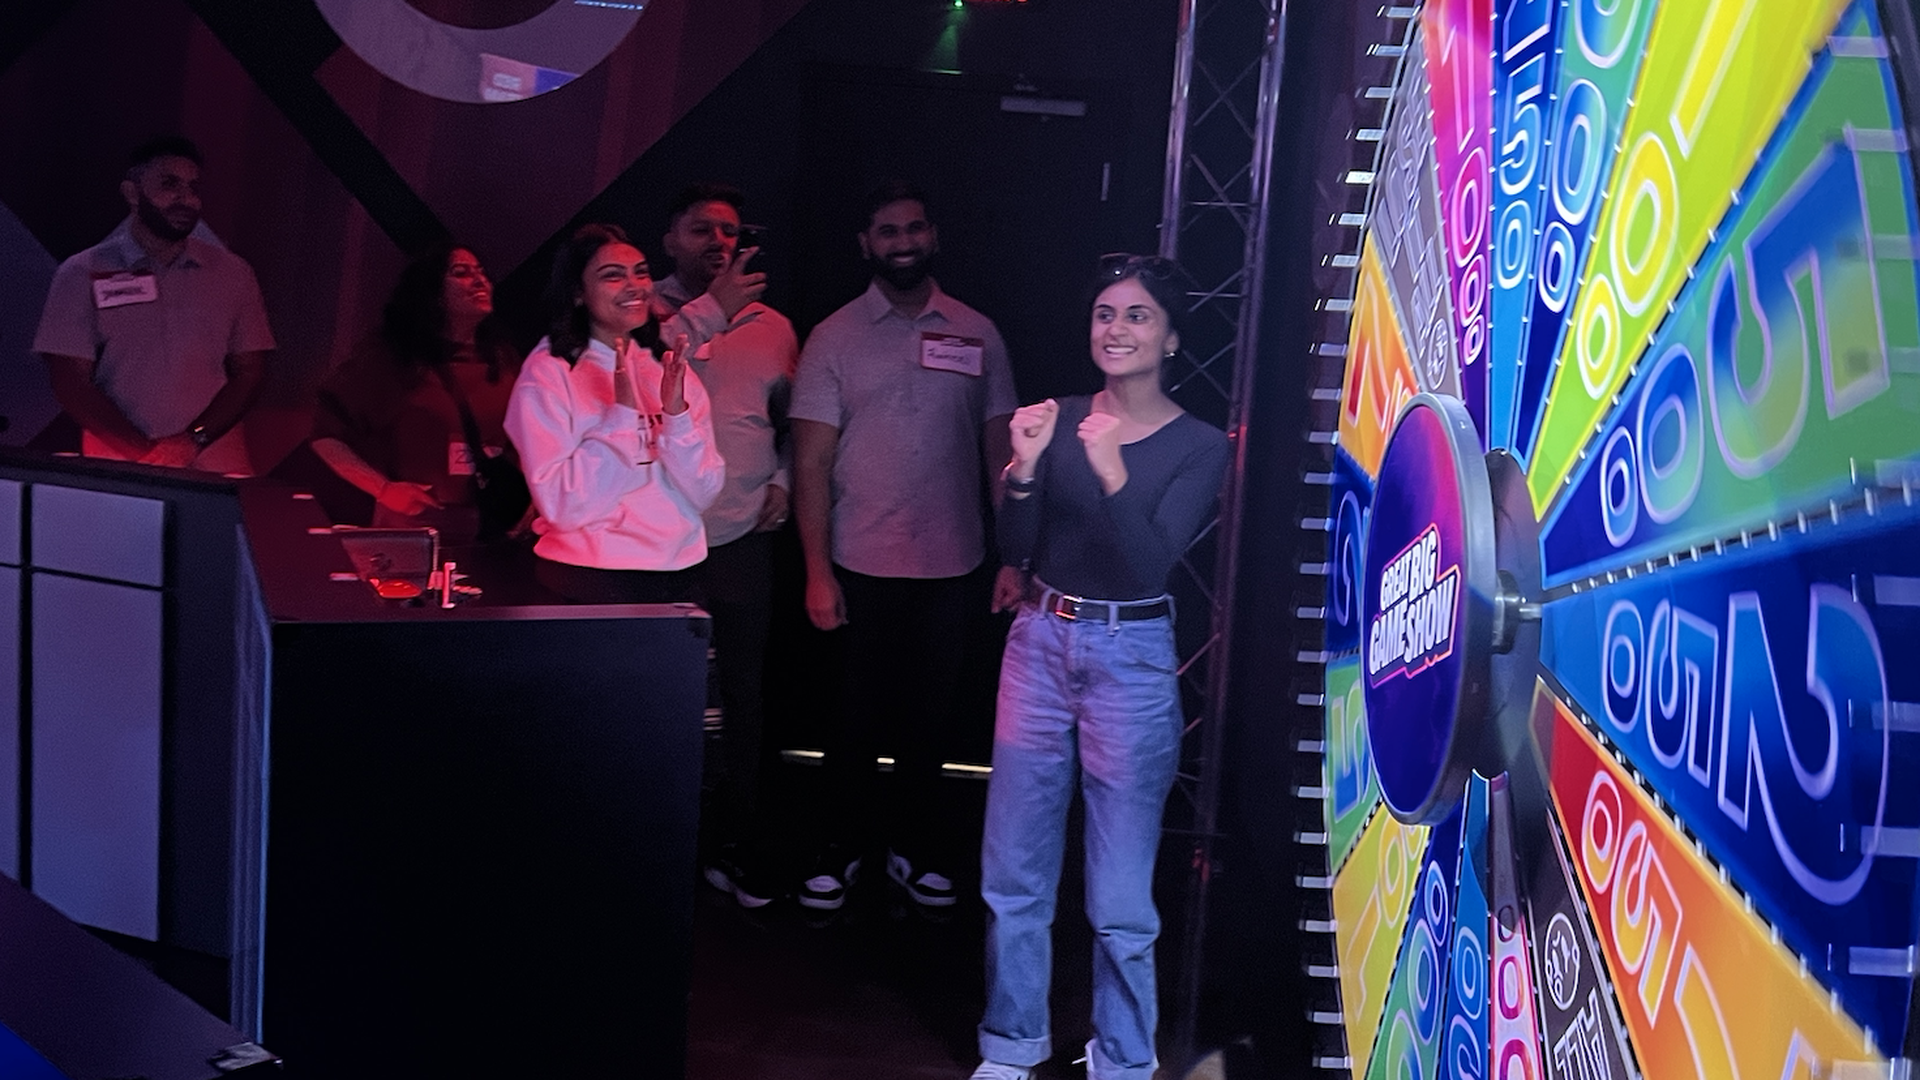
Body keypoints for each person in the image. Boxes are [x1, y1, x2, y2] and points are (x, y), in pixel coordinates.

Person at [971, 255, 1229, 1080]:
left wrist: (1113, 469)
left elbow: (1151, 564)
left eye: (1138, 316)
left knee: (1119, 898)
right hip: (1041, 642)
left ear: (1172, 338)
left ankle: (1121, 1060)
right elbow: (1018, 550)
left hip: (1130, 657)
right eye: (1106, 314)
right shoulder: (1060, 416)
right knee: (1014, 871)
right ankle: (1011, 1049)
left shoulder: (1198, 445)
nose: (1116, 330)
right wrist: (1022, 470)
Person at [790, 182, 1018, 911]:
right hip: (857, 562)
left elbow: (1001, 456)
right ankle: (841, 845)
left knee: (932, 722)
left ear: (934, 236)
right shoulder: (834, 336)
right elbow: (811, 464)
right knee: (852, 720)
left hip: (951, 562)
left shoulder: (978, 331)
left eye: (915, 228)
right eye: (887, 231)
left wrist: (1013, 553)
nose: (903, 242)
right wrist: (816, 573)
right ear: (866, 244)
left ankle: (914, 849)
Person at [654, 182, 797, 908]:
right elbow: (645, 377)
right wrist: (713, 310)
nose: (717, 242)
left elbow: (787, 420)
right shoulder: (639, 314)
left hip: (741, 536)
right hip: (654, 543)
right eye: (701, 228)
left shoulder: (774, 326)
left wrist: (783, 479)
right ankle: (657, 844)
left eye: (730, 231)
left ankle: (734, 844)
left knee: (744, 696)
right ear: (671, 238)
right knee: (661, 695)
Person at [504, 222, 741, 604]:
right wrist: (620, 421)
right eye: (613, 276)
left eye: (641, 272)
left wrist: (676, 415)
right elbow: (562, 506)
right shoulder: (550, 370)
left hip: (680, 573)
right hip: (591, 578)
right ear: (578, 292)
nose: (635, 286)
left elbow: (704, 492)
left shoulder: (664, 367)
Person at [33, 135, 274, 475]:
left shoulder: (233, 273)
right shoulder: (82, 273)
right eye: (169, 185)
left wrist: (193, 440)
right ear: (132, 193)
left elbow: (250, 372)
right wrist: (143, 452)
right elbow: (70, 380)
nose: (186, 199)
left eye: (193, 187)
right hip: (119, 463)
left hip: (214, 460)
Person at [310, 242, 523, 545]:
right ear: (431, 291)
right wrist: (383, 489)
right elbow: (325, 433)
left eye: (482, 272)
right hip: (412, 533)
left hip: (494, 533)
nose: (480, 281)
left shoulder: (503, 359)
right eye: (461, 272)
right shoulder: (393, 358)